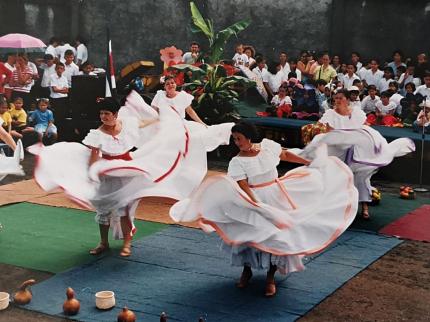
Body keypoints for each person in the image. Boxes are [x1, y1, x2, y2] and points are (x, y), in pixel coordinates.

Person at [170, 122, 358, 297]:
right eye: (234, 139)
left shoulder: (267, 147)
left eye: (239, 138)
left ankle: (270, 276)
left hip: (277, 194)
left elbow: (284, 154)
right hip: (254, 199)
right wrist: (257, 205)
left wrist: (306, 162)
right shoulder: (237, 161)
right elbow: (243, 185)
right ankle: (247, 270)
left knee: (277, 237)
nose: (236, 142)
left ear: (249, 137)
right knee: (250, 236)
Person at [310, 89, 414, 220]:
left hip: (356, 150)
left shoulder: (357, 112)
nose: (337, 100)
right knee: (336, 178)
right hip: (337, 150)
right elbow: (330, 132)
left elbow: (365, 129)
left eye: (340, 97)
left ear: (347, 99)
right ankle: (338, 208)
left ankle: (364, 207)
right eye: (335, 98)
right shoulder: (330, 114)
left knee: (361, 178)